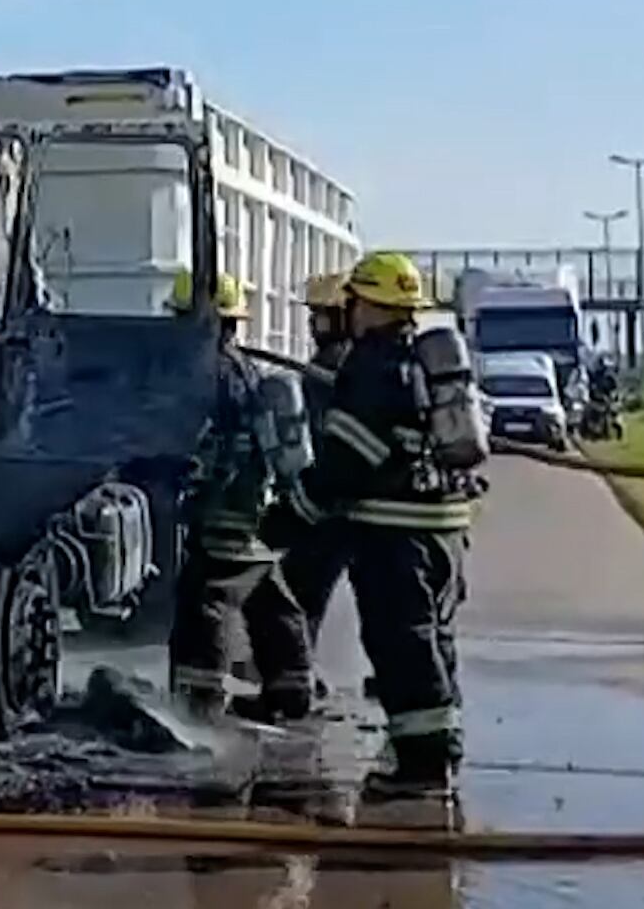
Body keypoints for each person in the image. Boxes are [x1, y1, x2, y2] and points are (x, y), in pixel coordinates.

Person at [276, 251, 484, 799]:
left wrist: (290, 514)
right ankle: (441, 748)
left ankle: (420, 766)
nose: (349, 311)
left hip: (397, 535)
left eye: (354, 301)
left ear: (369, 305)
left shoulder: (372, 366)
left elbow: (348, 461)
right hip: (444, 529)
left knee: (401, 644)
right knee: (435, 642)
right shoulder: (421, 360)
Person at [165, 269, 316, 724]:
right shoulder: (246, 369)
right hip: (253, 500)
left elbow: (191, 438)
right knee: (270, 596)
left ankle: (199, 702)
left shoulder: (205, 371)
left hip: (221, 504)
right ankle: (292, 688)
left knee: (206, 600)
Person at [274, 273, 355, 664]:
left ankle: (296, 678)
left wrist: (301, 505)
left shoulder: (333, 365)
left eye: (321, 316)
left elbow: (324, 444)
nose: (313, 324)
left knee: (298, 589)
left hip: (334, 502)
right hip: (350, 501)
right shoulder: (356, 362)